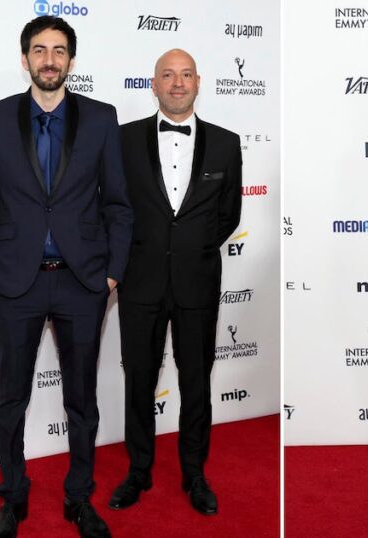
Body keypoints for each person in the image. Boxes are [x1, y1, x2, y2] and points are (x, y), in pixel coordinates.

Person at [0, 15, 132, 538]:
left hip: (83, 284)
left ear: (72, 61)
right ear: (25, 59)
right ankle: (12, 498)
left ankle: (79, 498)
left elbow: (119, 206)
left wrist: (111, 277)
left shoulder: (102, 119)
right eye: (40, 50)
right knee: (11, 397)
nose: (50, 60)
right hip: (15, 284)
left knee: (82, 399)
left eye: (59, 51)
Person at [109, 49, 242, 516]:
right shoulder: (123, 140)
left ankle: (194, 474)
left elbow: (228, 216)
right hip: (139, 282)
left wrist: (192, 250)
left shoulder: (227, 144)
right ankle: (138, 472)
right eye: (168, 75)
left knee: (196, 383)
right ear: (154, 83)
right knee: (139, 381)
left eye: (185, 75)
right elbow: (113, 209)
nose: (178, 83)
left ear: (199, 82)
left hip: (197, 283)